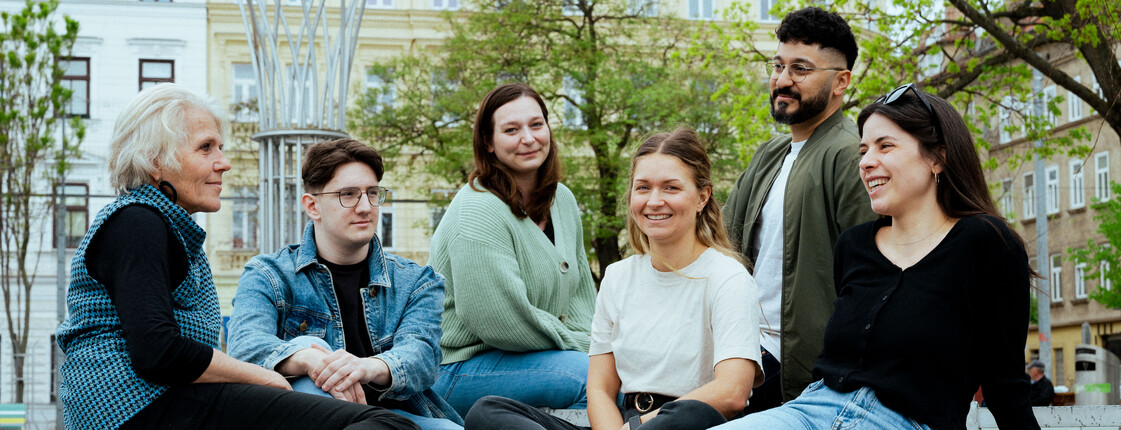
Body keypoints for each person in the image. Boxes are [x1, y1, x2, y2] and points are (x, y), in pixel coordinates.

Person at [55, 84, 416, 430]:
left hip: (160, 402)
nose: (224, 162)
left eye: (220, 147)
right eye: (206, 148)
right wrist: (265, 376)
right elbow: (157, 351)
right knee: (382, 422)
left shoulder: (163, 225)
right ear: (156, 161)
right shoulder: (136, 221)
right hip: (132, 409)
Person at [712, 84, 1041, 429]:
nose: (867, 162)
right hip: (809, 410)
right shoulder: (854, 246)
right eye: (864, 150)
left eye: (886, 146)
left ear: (937, 158)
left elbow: (1004, 383)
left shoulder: (987, 243)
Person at [462, 128, 764, 430]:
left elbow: (732, 391)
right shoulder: (618, 277)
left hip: (686, 423)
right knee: (487, 412)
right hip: (622, 423)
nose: (654, 201)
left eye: (671, 188)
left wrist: (638, 428)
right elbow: (600, 391)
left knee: (686, 414)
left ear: (702, 197)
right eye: (643, 188)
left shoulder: (727, 278)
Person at [227, 138, 463, 429]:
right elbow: (244, 347)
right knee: (307, 346)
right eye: (348, 194)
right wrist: (307, 359)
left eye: (373, 193)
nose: (365, 207)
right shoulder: (269, 274)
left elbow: (422, 358)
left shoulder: (417, 281)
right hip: (309, 414)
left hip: (397, 417)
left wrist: (365, 367)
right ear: (312, 206)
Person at [722, 6, 878, 412]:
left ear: (841, 81)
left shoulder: (851, 153)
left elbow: (873, 275)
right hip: (737, 351)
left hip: (799, 371)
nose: (782, 80)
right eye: (778, 65)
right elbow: (718, 244)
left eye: (800, 69)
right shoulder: (768, 155)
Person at [428, 83, 597, 416]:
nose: (529, 138)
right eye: (511, 130)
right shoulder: (478, 208)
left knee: (616, 374)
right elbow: (499, 321)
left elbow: (580, 296)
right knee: (593, 379)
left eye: (536, 125)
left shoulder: (562, 199)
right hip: (459, 366)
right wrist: (586, 348)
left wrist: (595, 344)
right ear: (488, 143)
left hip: (535, 357)